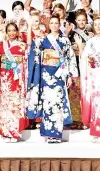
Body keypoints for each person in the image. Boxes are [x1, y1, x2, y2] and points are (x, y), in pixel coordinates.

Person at [26, 15, 78, 143]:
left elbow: (70, 58)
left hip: (59, 74)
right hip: (46, 74)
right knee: (48, 103)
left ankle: (56, 134)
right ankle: (48, 133)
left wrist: (70, 75)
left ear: (59, 24)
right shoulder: (43, 39)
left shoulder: (65, 40)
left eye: (56, 23)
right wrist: (29, 28)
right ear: (49, 25)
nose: (54, 25)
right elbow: (32, 48)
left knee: (58, 103)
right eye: (52, 23)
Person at [0, 22, 29, 143]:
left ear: (17, 32)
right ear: (6, 32)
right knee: (5, 106)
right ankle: (6, 132)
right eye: (9, 31)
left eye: (13, 30)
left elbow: (25, 62)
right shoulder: (1, 45)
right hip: (5, 78)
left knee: (15, 104)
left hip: (17, 78)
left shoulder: (22, 46)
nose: (11, 33)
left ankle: (15, 132)